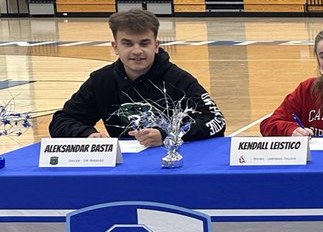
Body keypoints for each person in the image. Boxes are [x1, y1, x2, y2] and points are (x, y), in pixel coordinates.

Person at [49, 9, 225, 145]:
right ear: (115, 47)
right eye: (127, 43)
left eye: (144, 43)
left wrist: (168, 134)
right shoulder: (101, 81)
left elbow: (216, 121)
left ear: (156, 45)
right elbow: (61, 121)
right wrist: (87, 135)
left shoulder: (179, 80)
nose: (137, 51)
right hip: (123, 169)